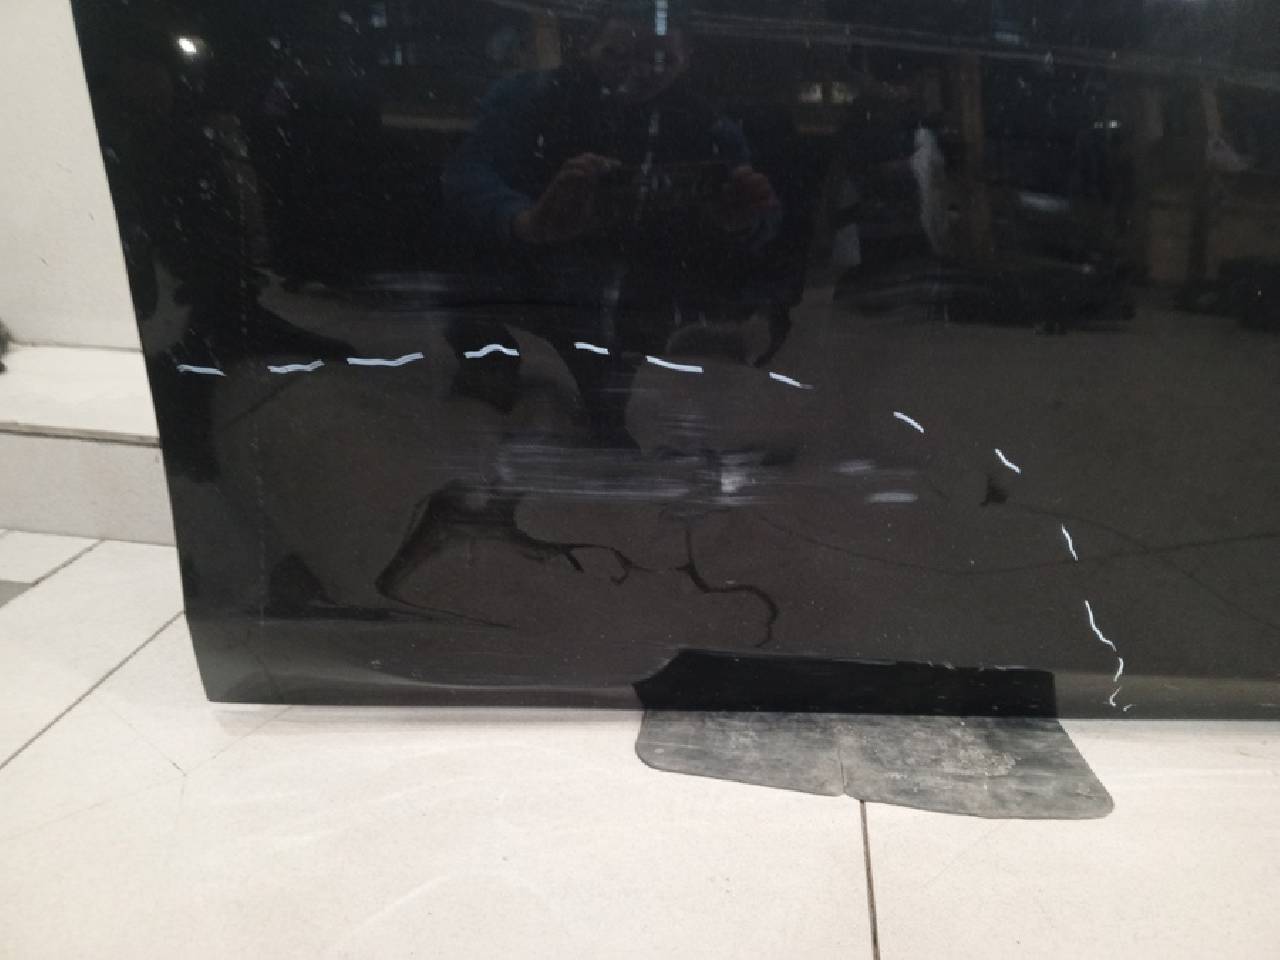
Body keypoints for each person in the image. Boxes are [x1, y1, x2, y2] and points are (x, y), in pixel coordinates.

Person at [441, 0, 779, 444]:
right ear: (587, 44)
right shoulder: (530, 98)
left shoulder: (710, 129)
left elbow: (758, 219)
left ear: (688, 58)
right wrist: (523, 221)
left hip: (644, 311)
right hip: (530, 296)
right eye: (616, 55)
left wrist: (741, 222)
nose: (635, 73)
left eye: (660, 60)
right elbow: (467, 175)